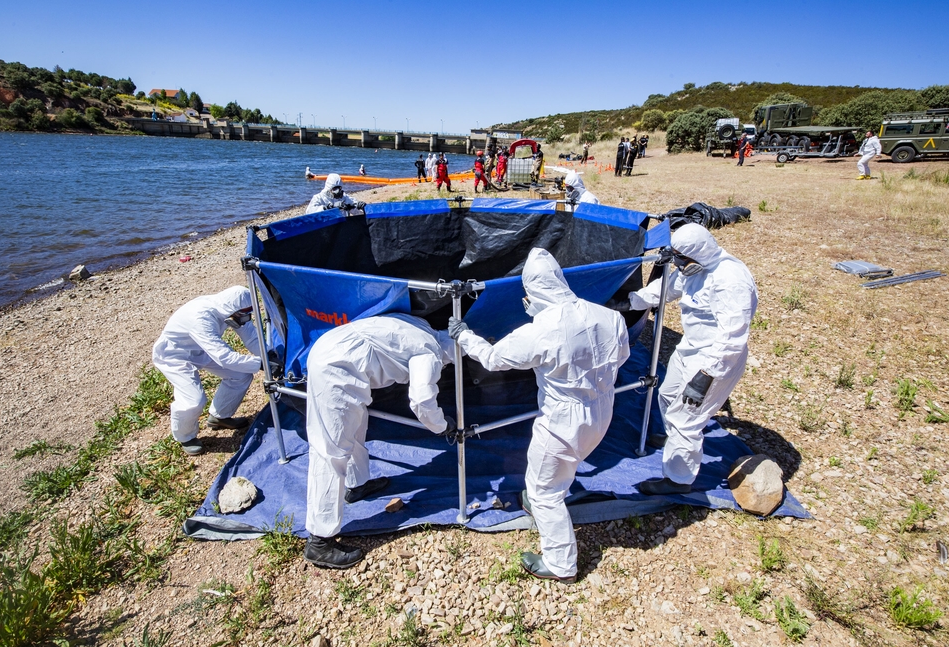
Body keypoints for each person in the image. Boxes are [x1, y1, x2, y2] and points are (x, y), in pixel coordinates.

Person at [448, 248, 630, 582]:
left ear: (531, 291)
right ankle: (548, 502)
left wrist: (463, 336)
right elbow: (620, 357)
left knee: (543, 489)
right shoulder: (608, 316)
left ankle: (561, 564)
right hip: (602, 411)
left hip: (561, 425)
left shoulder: (541, 330)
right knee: (565, 469)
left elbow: (492, 359)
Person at [304, 314, 456, 568]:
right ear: (447, 358)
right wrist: (441, 425)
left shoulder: (421, 325)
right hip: (337, 368)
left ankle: (357, 484)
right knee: (331, 451)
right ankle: (319, 541)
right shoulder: (431, 354)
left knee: (353, 427)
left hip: (333, 349)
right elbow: (421, 400)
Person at [629, 224, 757, 495]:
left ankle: (678, 480)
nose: (677, 263)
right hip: (690, 348)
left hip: (716, 359)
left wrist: (705, 376)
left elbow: (733, 337)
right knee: (667, 394)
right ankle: (674, 439)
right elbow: (665, 290)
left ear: (699, 253)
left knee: (687, 417)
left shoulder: (730, 280)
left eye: (680, 258)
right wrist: (629, 301)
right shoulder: (692, 269)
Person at [152, 287, 263, 456]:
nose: (244, 320)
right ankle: (185, 437)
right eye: (243, 316)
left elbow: (251, 337)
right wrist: (260, 363)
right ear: (231, 311)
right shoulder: (201, 317)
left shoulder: (233, 310)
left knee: (240, 376)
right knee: (194, 399)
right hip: (174, 355)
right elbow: (224, 357)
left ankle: (220, 416)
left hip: (201, 350)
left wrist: (268, 355)